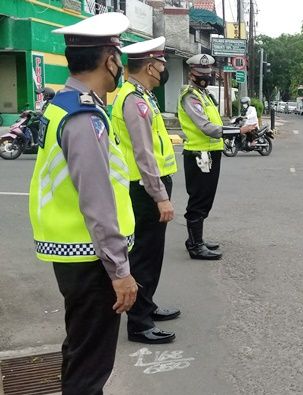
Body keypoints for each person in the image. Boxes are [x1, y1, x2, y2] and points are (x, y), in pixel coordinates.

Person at [28, 13, 137, 394]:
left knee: (80, 348)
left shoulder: (64, 102)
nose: (120, 66)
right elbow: (97, 200)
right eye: (118, 57)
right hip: (91, 257)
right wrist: (120, 270)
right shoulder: (83, 116)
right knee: (91, 362)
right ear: (109, 58)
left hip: (75, 253)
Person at [111, 36, 179, 344]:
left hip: (147, 185)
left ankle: (146, 306)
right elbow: (143, 154)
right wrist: (160, 196)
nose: (164, 68)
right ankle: (139, 323)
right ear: (151, 66)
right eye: (162, 63)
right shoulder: (133, 100)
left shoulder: (141, 95)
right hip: (144, 188)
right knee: (145, 257)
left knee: (152, 254)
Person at [177, 54, 223, 260]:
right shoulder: (190, 96)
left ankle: (197, 239)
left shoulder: (204, 94)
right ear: (191, 73)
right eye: (200, 74)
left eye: (208, 73)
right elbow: (206, 127)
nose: (205, 77)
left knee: (206, 199)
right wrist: (235, 131)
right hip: (199, 154)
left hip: (210, 152)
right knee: (199, 199)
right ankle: (195, 245)